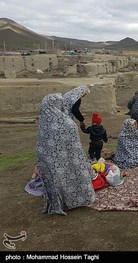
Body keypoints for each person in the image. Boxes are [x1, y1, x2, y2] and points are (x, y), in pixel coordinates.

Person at [36, 86, 96, 215]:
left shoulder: (44, 122)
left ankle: (61, 202)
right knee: (72, 176)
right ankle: (78, 199)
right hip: (71, 160)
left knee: (58, 179)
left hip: (52, 161)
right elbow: (75, 146)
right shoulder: (67, 123)